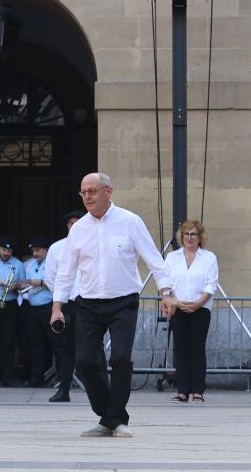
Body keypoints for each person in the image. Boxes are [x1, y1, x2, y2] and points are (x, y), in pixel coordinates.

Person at [51, 172, 175, 438]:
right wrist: (57, 307)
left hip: (123, 302)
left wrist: (166, 292)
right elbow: (65, 272)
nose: (87, 197)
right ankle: (108, 415)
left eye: (92, 191)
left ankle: (116, 417)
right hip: (87, 303)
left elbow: (154, 259)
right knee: (85, 361)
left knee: (120, 358)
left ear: (108, 191)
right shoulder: (78, 229)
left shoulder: (130, 222)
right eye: (83, 192)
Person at [165, 220, 220, 403]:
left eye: (193, 234)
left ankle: (197, 391)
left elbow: (211, 284)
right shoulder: (172, 257)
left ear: (200, 237)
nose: (189, 237)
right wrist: (174, 301)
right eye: (186, 234)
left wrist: (198, 303)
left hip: (201, 308)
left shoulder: (209, 257)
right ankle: (182, 391)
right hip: (178, 308)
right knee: (181, 349)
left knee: (197, 349)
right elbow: (166, 283)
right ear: (182, 236)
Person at [43, 210, 82, 402]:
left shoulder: (94, 244)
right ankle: (64, 389)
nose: (74, 226)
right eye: (70, 223)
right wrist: (61, 297)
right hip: (67, 302)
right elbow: (50, 277)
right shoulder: (57, 248)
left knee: (94, 346)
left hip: (89, 301)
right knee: (65, 347)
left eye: (77, 222)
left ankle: (102, 389)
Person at [21, 237, 54, 387]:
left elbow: (58, 283)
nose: (34, 253)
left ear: (46, 250)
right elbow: (26, 282)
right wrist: (22, 285)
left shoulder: (52, 264)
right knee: (36, 345)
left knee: (55, 343)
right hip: (33, 309)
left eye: (37, 250)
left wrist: (40, 282)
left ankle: (61, 377)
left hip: (49, 307)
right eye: (33, 250)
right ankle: (36, 378)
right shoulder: (30, 264)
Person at [0, 238, 26, 385]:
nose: (6, 253)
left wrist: (16, 285)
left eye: (9, 251)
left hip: (10, 304)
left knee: (9, 341)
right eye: (4, 250)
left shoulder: (18, 264)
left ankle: (8, 376)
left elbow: (23, 285)